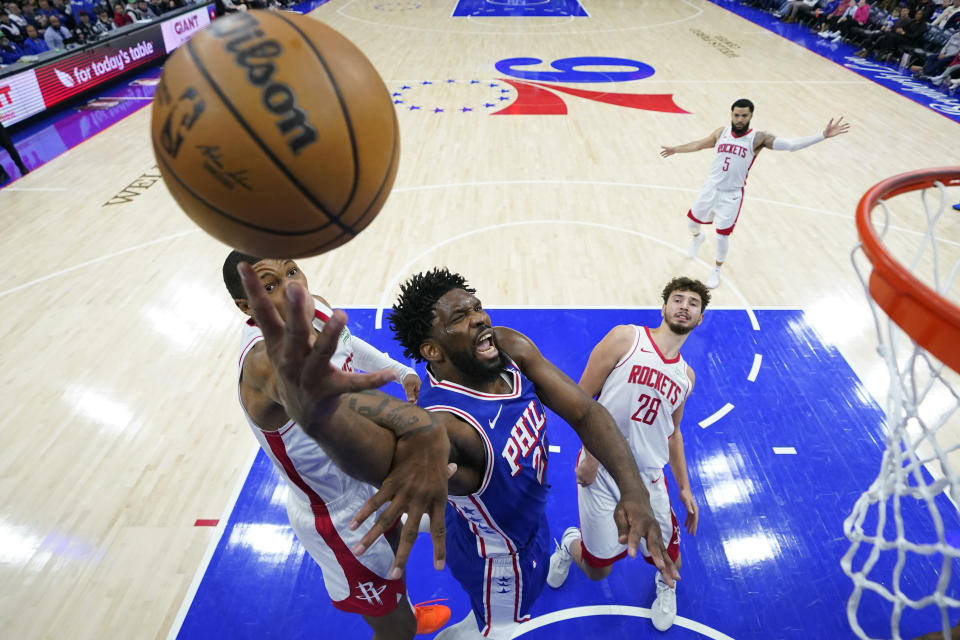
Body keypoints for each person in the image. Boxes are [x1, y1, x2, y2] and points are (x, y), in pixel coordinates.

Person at [235, 262, 679, 640]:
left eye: (476, 306)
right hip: (499, 561)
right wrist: (317, 408)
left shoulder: (509, 347)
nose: (480, 319)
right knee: (493, 630)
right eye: (460, 318)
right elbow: (372, 457)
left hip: (521, 523)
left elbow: (585, 412)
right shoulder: (444, 427)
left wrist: (633, 491)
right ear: (432, 348)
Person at [224, 252, 450, 640]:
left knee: (396, 561)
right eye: (271, 286)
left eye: (291, 270)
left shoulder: (316, 309)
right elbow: (323, 399)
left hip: (364, 475)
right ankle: (402, 622)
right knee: (395, 631)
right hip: (335, 516)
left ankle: (404, 606)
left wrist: (397, 371)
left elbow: (349, 344)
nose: (293, 286)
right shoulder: (265, 363)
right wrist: (420, 427)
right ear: (247, 307)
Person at [547, 277, 709, 633]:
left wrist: (684, 487)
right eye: (677, 299)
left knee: (668, 555)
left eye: (693, 303)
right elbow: (580, 399)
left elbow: (673, 432)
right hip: (601, 470)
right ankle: (570, 542)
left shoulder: (686, 376)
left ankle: (666, 588)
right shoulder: (626, 338)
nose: (684, 305)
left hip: (649, 478)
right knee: (596, 570)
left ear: (700, 319)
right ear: (663, 308)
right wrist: (589, 454)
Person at [659, 98, 851, 289]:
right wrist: (676, 149)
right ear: (731, 115)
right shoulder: (721, 132)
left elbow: (791, 145)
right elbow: (699, 144)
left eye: (744, 115)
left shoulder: (759, 138)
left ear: (751, 116)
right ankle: (697, 238)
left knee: (721, 236)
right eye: (736, 115)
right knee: (692, 223)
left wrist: (822, 135)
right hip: (710, 188)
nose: (740, 119)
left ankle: (716, 270)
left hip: (731, 195)